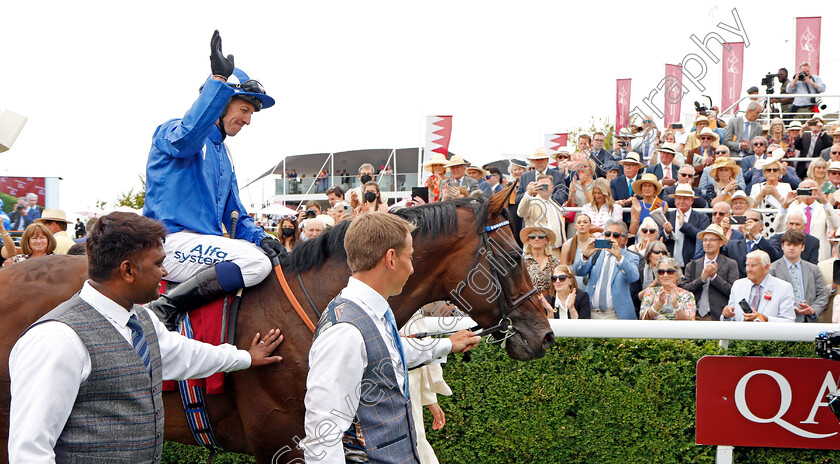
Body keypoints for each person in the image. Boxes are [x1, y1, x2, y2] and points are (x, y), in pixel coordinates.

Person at [8, 212, 284, 463]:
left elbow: (184, 355)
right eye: (159, 264)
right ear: (128, 271)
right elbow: (30, 450)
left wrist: (246, 357)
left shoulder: (143, 319)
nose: (164, 273)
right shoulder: (57, 340)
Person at [300, 212, 480, 462]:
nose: (413, 267)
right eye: (410, 256)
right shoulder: (345, 331)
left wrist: (447, 344)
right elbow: (322, 434)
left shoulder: (372, 310)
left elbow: (387, 355)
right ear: (391, 259)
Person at [143, 31, 283, 330]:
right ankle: (165, 308)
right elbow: (188, 138)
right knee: (255, 263)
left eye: (250, 114)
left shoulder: (224, 154)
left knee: (264, 256)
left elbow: (236, 213)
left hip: (203, 243)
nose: (247, 120)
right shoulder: (172, 131)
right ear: (220, 105)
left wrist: (264, 238)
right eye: (244, 110)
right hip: (169, 241)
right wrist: (218, 81)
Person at [573, 220, 640, 320]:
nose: (611, 238)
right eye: (608, 234)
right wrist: (585, 256)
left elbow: (633, 277)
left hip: (616, 314)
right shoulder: (596, 253)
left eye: (616, 235)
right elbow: (578, 271)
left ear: (624, 240)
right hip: (592, 312)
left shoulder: (631, 257)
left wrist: (619, 257)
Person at [769, 229, 829, 323]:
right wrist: (786, 307)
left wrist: (813, 310)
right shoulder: (772, 269)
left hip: (808, 320)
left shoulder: (813, 269)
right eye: (788, 244)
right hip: (782, 321)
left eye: (796, 245)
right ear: (782, 246)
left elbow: (823, 293)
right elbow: (768, 294)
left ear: (802, 247)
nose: (792, 248)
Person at [681, 224, 739, 321]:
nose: (707, 243)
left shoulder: (730, 264)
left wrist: (714, 277)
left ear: (721, 243)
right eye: (705, 240)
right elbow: (684, 290)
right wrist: (702, 279)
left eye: (712, 240)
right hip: (694, 316)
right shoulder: (692, 265)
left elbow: (733, 291)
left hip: (717, 317)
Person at [721, 250, 795, 322]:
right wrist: (726, 316)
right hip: (742, 333)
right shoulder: (738, 285)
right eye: (747, 265)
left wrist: (765, 319)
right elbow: (730, 319)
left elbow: (789, 321)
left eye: (753, 265)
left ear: (766, 268)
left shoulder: (784, 288)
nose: (748, 269)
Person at [780, 180, 838, 261]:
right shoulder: (793, 209)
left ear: (817, 190)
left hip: (819, 255)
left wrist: (825, 201)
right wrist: (784, 206)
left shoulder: (824, 208)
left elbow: (835, 225)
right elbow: (778, 228)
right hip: (796, 254)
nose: (807, 191)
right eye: (804, 189)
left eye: (810, 189)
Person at [662, 184, 710, 268]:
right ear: (675, 199)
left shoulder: (702, 217)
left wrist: (684, 225)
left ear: (692, 200)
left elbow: (702, 237)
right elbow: (659, 237)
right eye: (679, 198)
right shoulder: (667, 216)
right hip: (669, 266)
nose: (682, 201)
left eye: (685, 198)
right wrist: (666, 232)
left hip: (692, 265)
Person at [518, 174, 566, 251]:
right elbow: (520, 212)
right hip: (537, 250)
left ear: (552, 187)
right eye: (541, 186)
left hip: (557, 250)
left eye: (546, 186)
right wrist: (528, 194)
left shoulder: (556, 205)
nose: (543, 189)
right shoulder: (532, 202)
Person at [522, 226, 562, 314]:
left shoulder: (554, 262)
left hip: (550, 301)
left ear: (546, 240)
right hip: (528, 303)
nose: (536, 239)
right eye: (532, 237)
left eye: (541, 236)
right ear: (528, 240)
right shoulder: (522, 262)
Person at [751, 156, 793, 238]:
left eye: (775, 170)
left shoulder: (786, 187)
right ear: (765, 173)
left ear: (779, 173)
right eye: (768, 170)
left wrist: (776, 194)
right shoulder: (756, 187)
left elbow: (789, 206)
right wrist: (762, 194)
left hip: (780, 224)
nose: (772, 172)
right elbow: (751, 207)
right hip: (762, 226)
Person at [559, 214, 592, 289]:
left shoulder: (594, 244)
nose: (582, 224)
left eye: (585, 222)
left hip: (590, 284)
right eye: (579, 222)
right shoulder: (567, 244)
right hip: (573, 285)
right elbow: (563, 268)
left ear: (590, 225)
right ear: (575, 226)